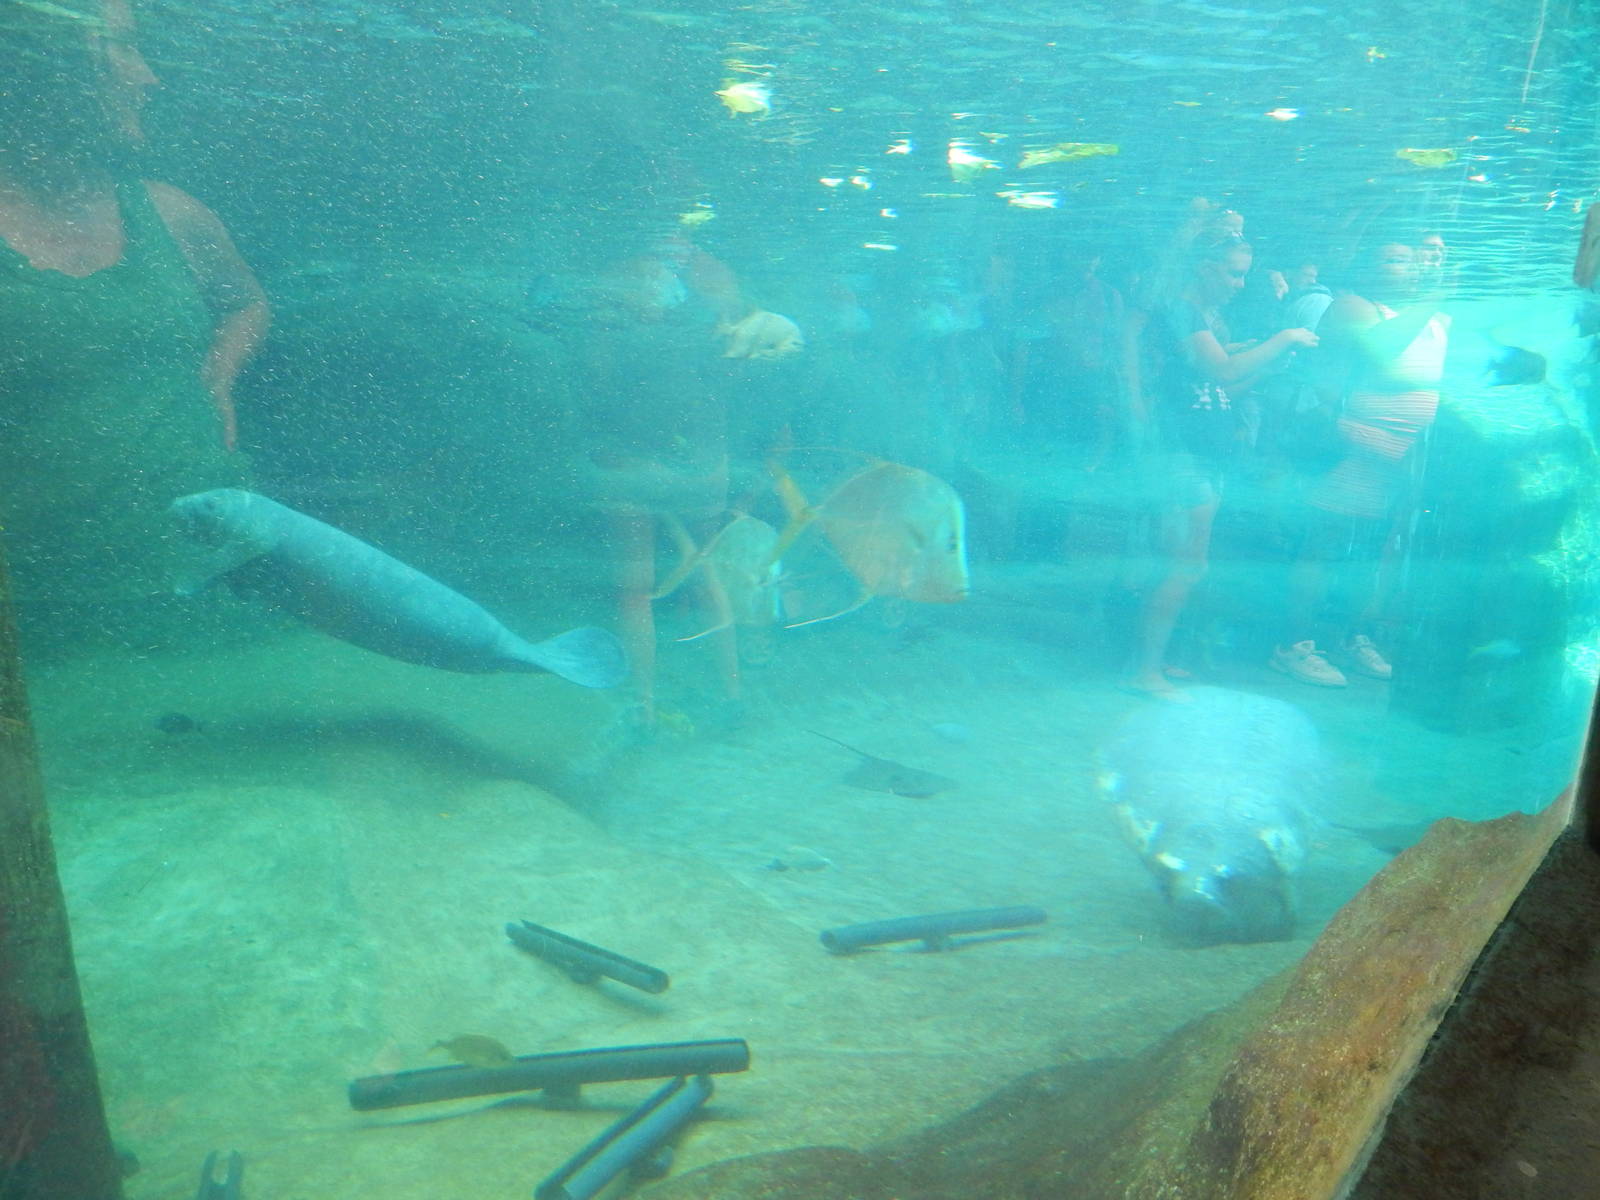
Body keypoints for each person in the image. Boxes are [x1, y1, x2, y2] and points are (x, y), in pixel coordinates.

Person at [0, 0, 269, 643]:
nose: (150, 78)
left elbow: (244, 302)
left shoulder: (172, 214)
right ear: (44, 64)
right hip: (44, 604)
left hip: (216, 576)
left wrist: (219, 375)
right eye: (121, 48)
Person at [1122, 232, 1317, 698]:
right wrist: (1285, 336)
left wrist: (1267, 367)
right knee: (1185, 566)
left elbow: (1221, 390)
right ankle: (1143, 670)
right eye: (1233, 272)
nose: (1239, 283)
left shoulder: (1197, 317)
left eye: (1244, 273)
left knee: (1183, 565)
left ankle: (1154, 661)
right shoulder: (1180, 311)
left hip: (1201, 455)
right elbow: (1223, 372)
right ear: (1204, 267)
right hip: (1183, 456)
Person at [1272, 238, 1450, 686]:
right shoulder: (1353, 306)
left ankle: (1353, 637)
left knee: (1374, 552)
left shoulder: (1437, 320)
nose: (1408, 269)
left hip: (1405, 462)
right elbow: (1380, 351)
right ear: (1367, 265)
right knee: (1324, 546)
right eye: (1394, 259)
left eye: (1414, 261)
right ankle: (1294, 646)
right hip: (1353, 448)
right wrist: (1436, 294)